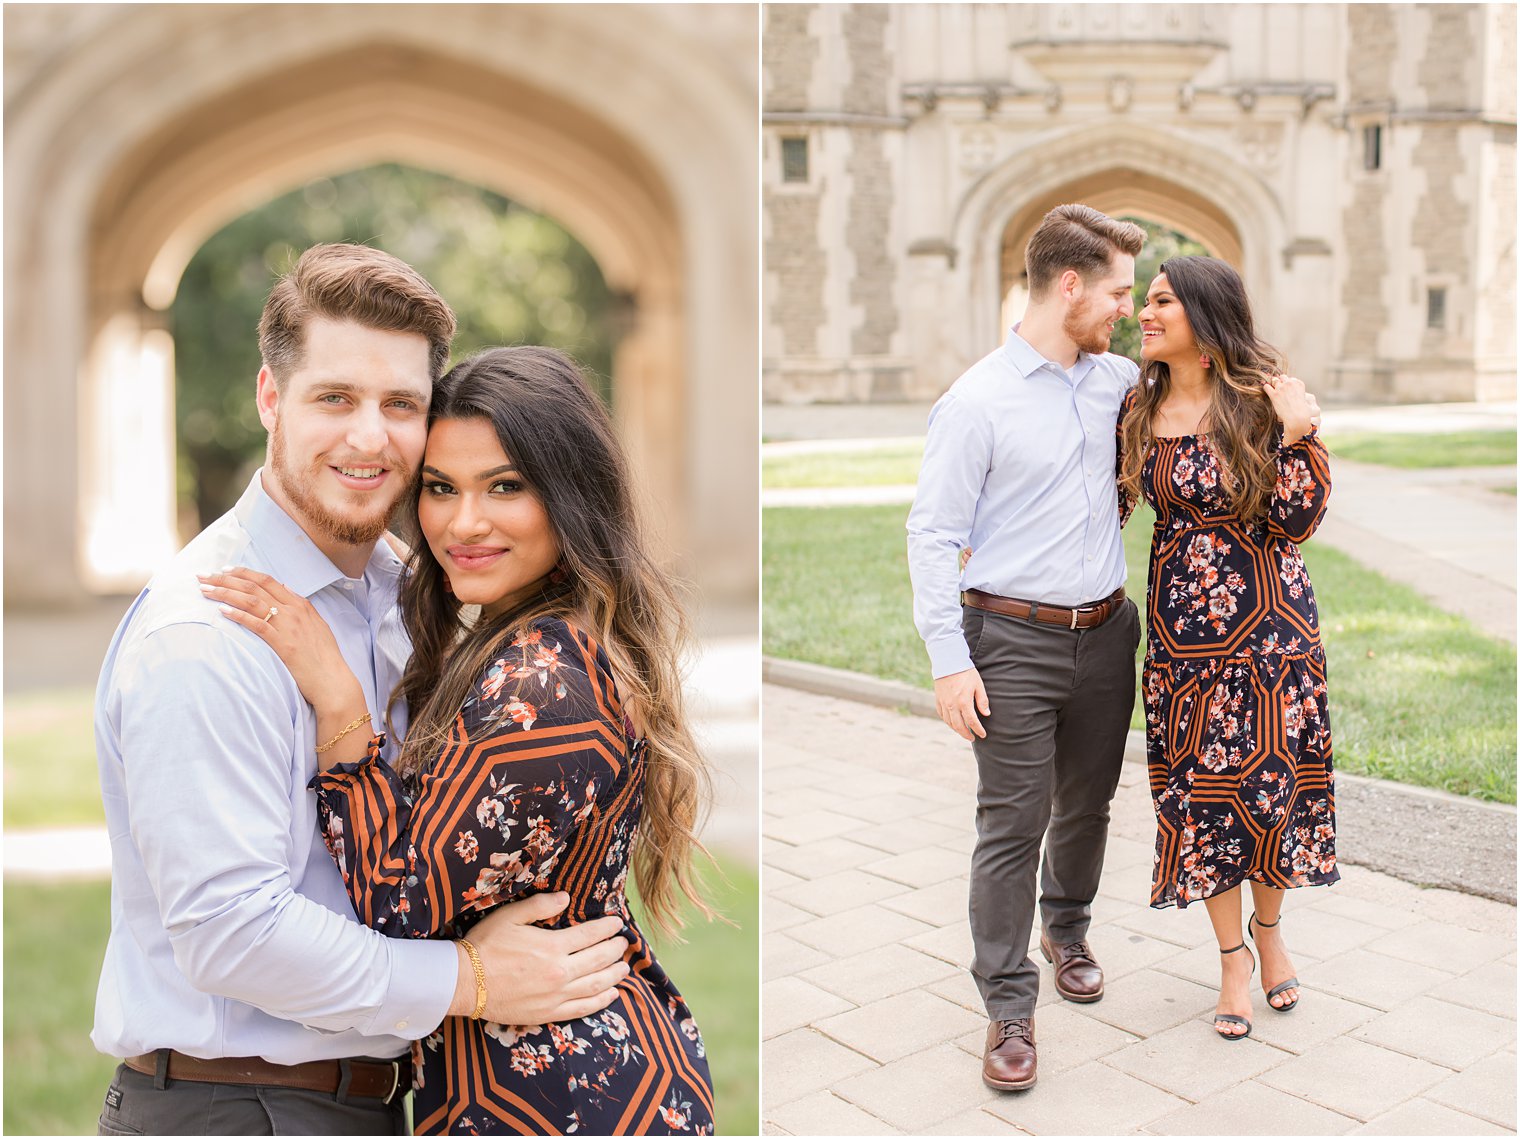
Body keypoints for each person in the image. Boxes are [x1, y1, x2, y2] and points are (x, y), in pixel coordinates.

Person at [92, 245, 630, 1136]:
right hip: (236, 1104)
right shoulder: (208, 631)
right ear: (271, 398)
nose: (370, 437)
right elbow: (230, 929)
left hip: (367, 1101)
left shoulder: (407, 588)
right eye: (334, 398)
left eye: (401, 405)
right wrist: (473, 979)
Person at [202, 345, 716, 1134]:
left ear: (570, 495)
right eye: (440, 488)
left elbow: (399, 904)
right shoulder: (543, 641)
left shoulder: (543, 680)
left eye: (504, 486)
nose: (462, 523)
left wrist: (339, 701)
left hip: (563, 1098)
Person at [906, 204, 1146, 1091]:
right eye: (1117, 290)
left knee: (1089, 805)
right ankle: (1010, 1004)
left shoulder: (1120, 378)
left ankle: (1067, 928)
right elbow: (932, 534)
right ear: (1070, 284)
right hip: (1009, 638)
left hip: (1107, 631)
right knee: (1012, 823)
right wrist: (948, 657)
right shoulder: (976, 401)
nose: (1125, 308)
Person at [1120, 254, 1336, 1042]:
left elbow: (1299, 518)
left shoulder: (1264, 401)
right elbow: (1103, 505)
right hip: (1182, 648)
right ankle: (1231, 957)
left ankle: (1271, 932)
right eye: (1143, 300)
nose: (1144, 314)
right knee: (1204, 799)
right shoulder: (1135, 411)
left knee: (1272, 795)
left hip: (1271, 638)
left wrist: (1293, 434)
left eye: (1162, 302)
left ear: (1205, 322)